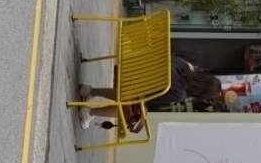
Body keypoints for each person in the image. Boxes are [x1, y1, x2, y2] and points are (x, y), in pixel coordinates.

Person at [77, 55, 222, 130]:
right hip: (130, 84)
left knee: (131, 93)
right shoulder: (180, 94)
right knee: (133, 109)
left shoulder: (185, 64)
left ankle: (90, 91)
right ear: (201, 93)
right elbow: (150, 100)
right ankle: (90, 112)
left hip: (128, 66)